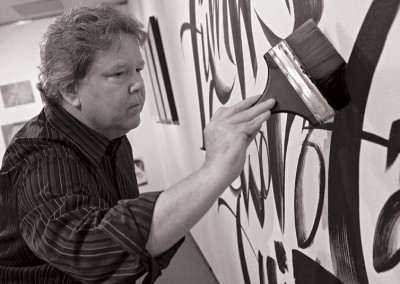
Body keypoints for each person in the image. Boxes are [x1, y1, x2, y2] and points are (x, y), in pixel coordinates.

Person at [0, 4, 275, 284]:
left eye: (139, 69)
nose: (138, 85)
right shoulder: (39, 156)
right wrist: (215, 170)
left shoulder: (114, 135)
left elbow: (126, 241)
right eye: (119, 74)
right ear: (70, 90)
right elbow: (92, 252)